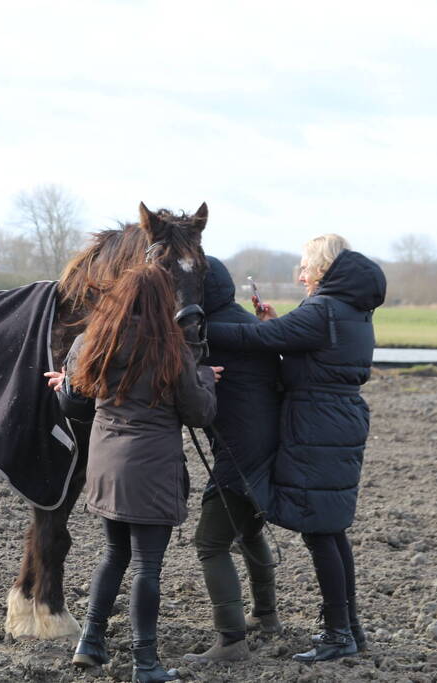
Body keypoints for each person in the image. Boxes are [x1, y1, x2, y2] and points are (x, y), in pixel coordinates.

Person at [205, 235, 386, 663]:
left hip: (316, 424)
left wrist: (197, 329)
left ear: (323, 269)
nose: (302, 274)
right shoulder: (353, 309)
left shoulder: (323, 308)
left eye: (306, 267)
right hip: (337, 419)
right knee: (331, 531)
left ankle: (337, 634)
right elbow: (304, 346)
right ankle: (350, 629)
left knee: (320, 532)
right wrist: (275, 324)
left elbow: (255, 342)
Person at [45, 263, 219, 682]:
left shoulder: (93, 341)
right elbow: (199, 413)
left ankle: (91, 640)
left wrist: (66, 383)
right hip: (152, 469)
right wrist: (206, 380)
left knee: (114, 554)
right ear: (163, 303)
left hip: (106, 466)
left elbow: (76, 406)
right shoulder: (173, 350)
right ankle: (146, 664)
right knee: (147, 567)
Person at [182, 256, 282, 664]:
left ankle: (231, 642)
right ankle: (266, 615)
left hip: (240, 451)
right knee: (248, 529)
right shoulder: (247, 324)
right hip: (265, 446)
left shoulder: (209, 335)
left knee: (210, 542)